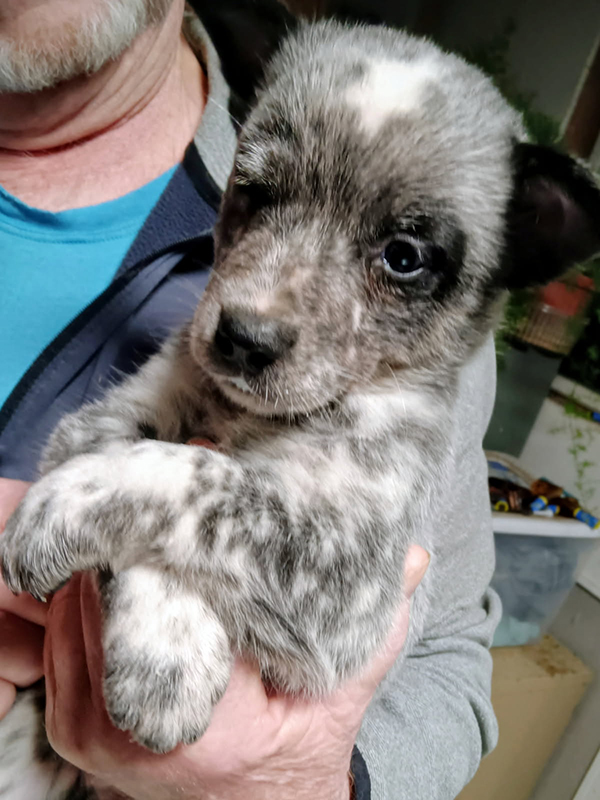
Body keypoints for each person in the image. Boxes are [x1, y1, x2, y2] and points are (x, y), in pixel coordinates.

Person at [0, 2, 500, 798]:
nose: (258, 307)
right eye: (261, 195)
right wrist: (157, 570)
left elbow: (427, 645)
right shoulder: (286, 91)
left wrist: (306, 783)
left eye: (400, 259)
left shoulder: (422, 370)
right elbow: (81, 472)